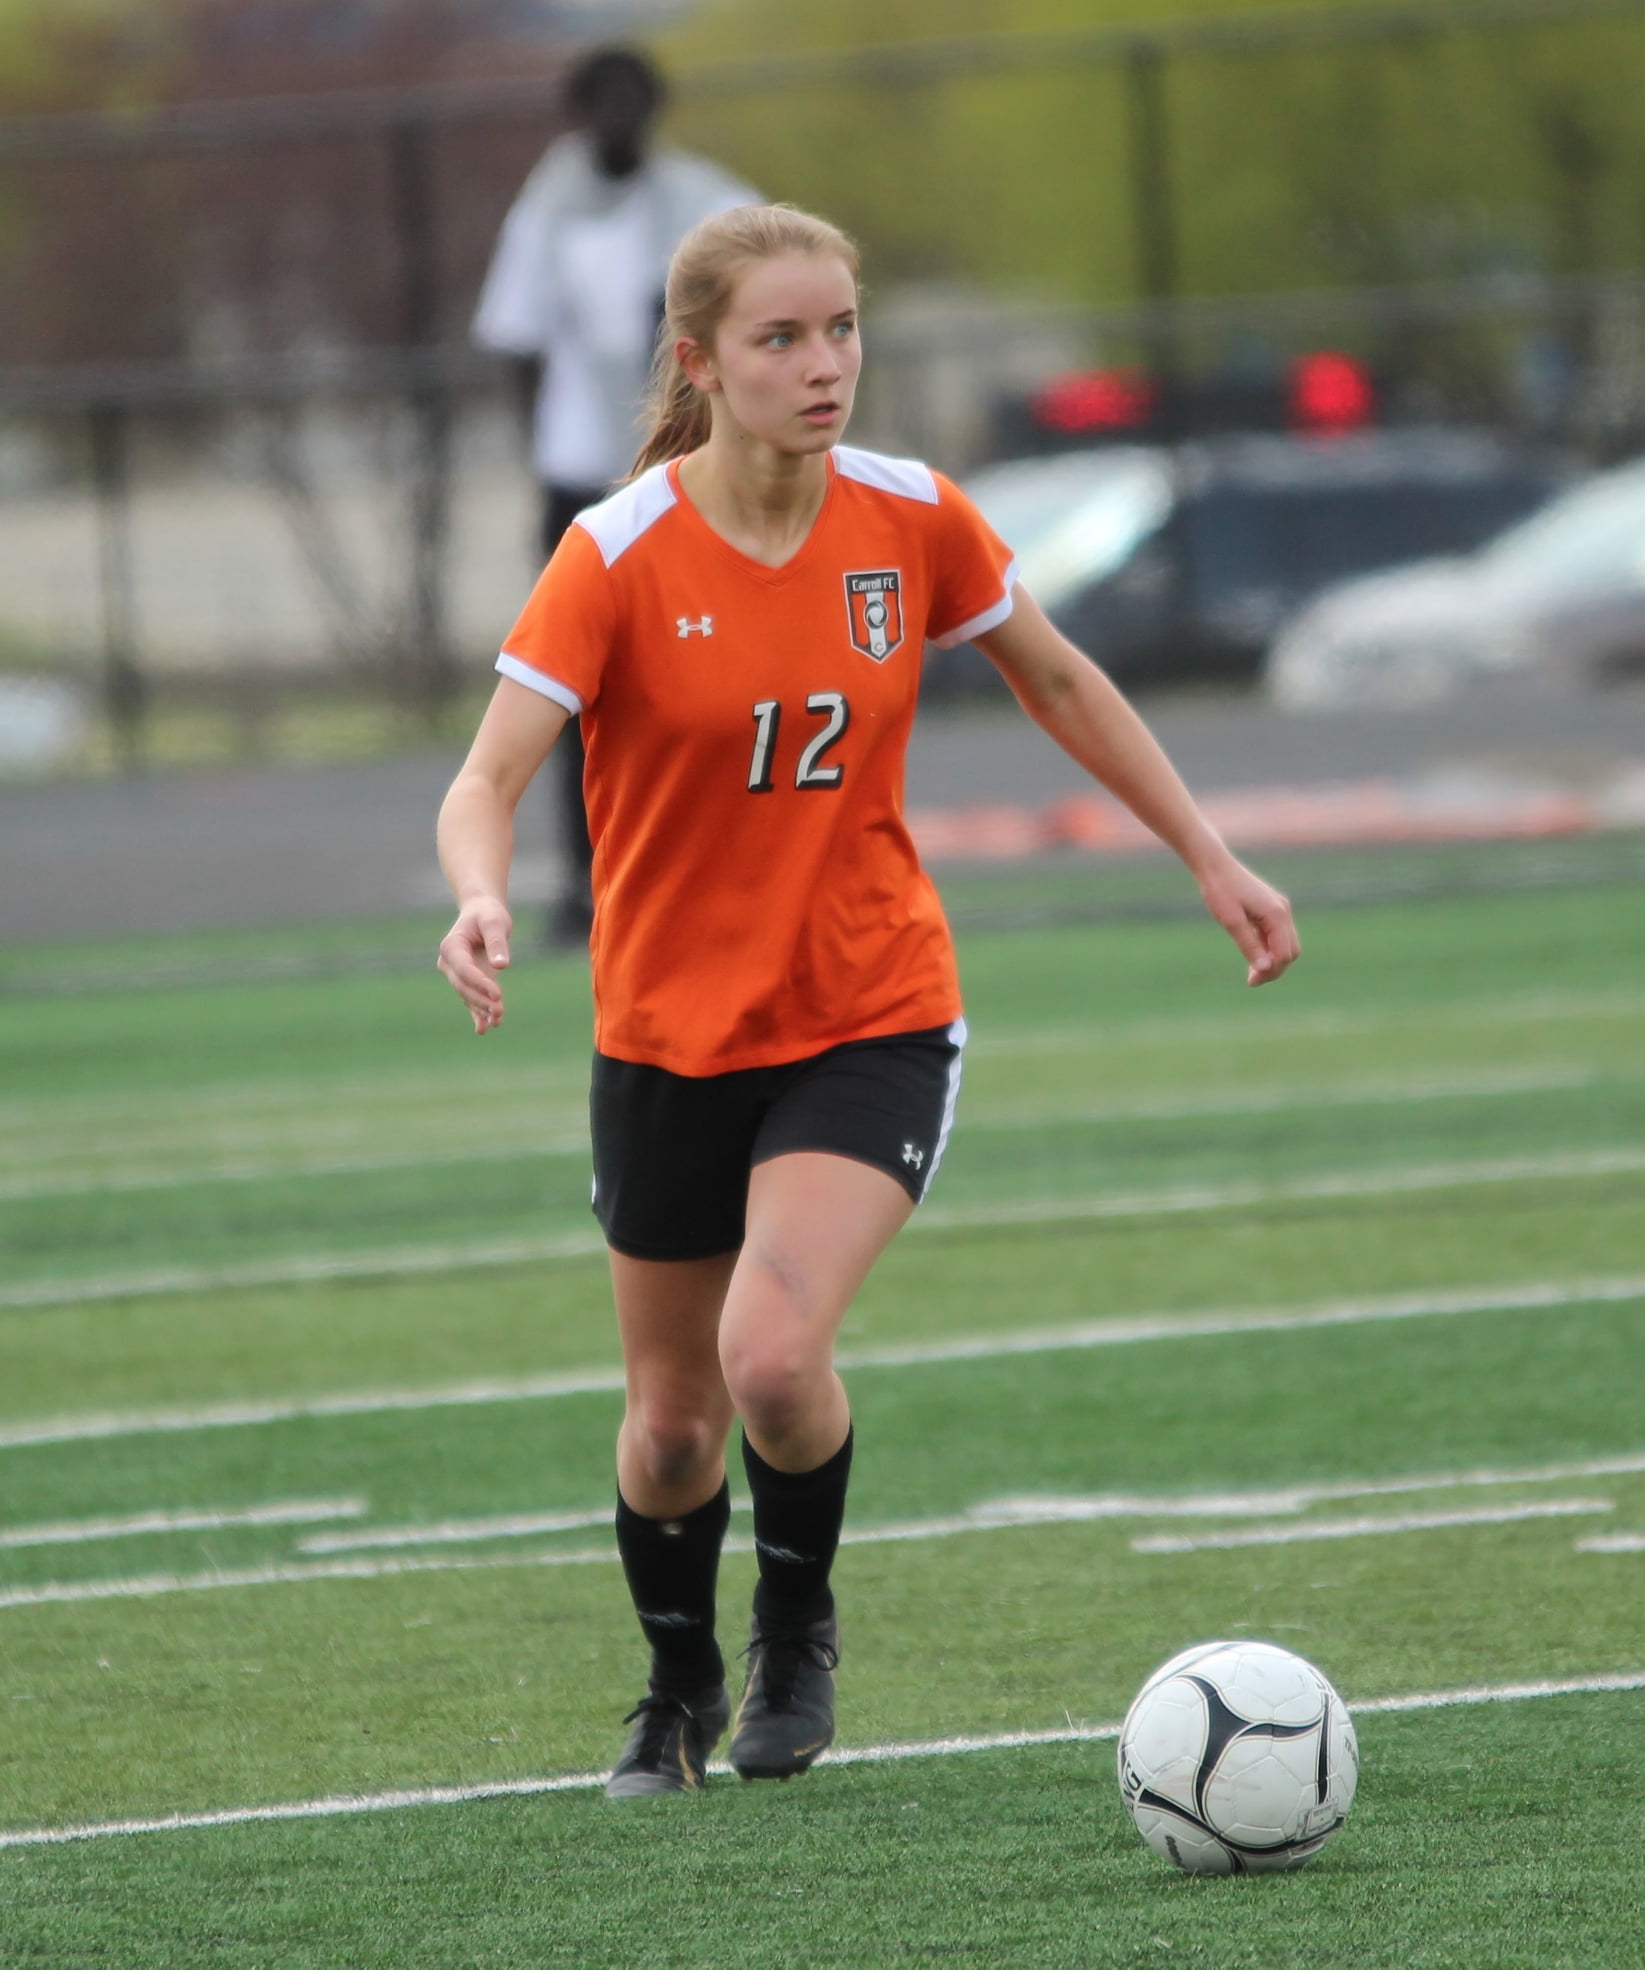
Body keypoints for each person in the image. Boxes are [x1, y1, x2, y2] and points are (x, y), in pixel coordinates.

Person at [436, 204, 1299, 1797]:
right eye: (780, 337)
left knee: (773, 1356)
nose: (822, 363)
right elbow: (487, 774)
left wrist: (1207, 854)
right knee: (675, 1425)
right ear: (700, 364)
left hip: (868, 1009)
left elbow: (1054, 676)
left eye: (840, 330)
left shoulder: (911, 516)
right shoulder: (616, 553)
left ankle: (794, 1633)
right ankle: (674, 1678)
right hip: (666, 1036)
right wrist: (481, 894)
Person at [471, 45, 757, 945]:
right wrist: (546, 459)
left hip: (694, 477)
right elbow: (514, 340)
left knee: (718, 682)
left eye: (631, 98)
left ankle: (729, 873)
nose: (617, 114)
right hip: (584, 482)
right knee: (569, 690)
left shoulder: (707, 204)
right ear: (578, 112)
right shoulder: (547, 216)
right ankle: (592, 883)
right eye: (600, 100)